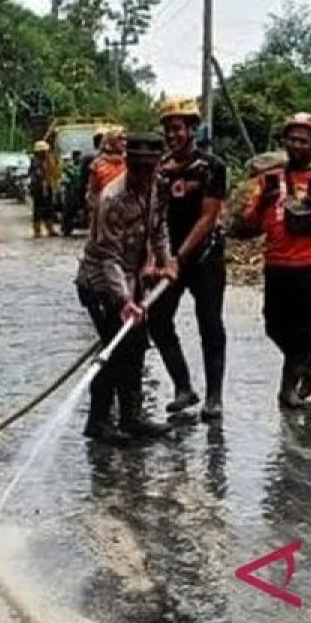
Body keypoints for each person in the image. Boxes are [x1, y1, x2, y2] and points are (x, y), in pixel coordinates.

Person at [236, 112, 311, 410]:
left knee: (307, 328)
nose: (296, 146)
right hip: (277, 264)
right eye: (292, 139)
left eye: (303, 141)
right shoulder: (269, 179)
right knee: (275, 327)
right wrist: (263, 202)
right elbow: (247, 224)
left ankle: (287, 388)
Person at [75, 132, 176, 444]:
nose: (145, 175)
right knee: (114, 350)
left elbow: (158, 228)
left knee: (135, 348)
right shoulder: (112, 198)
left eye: (151, 168)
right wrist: (123, 300)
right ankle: (98, 421)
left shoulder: (158, 187)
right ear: (128, 164)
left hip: (130, 279)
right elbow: (108, 258)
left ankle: (131, 416)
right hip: (100, 283)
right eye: (139, 168)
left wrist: (166, 260)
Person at [148, 96, 230, 421]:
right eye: (168, 129)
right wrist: (157, 258)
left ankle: (214, 396)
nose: (172, 135)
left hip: (205, 257)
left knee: (210, 324)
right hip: (170, 257)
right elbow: (155, 217)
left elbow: (208, 216)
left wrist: (180, 257)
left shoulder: (212, 167)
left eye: (178, 129)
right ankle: (183, 386)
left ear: (192, 129)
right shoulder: (160, 170)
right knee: (157, 320)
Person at [86, 129, 126, 213]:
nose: (124, 143)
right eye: (120, 139)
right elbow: (92, 192)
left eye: (125, 139)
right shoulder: (97, 164)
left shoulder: (129, 163)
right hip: (104, 210)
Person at [28, 140, 57, 238]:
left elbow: (52, 173)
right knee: (38, 210)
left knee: (49, 209)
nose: (44, 153)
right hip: (38, 189)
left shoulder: (49, 160)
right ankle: (37, 230)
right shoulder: (35, 162)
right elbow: (37, 175)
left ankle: (50, 228)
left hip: (48, 187)